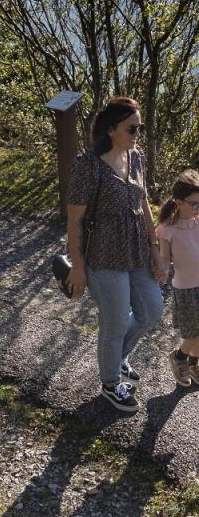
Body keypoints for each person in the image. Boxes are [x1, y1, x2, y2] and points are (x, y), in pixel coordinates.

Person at [66, 96, 166, 413]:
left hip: (136, 250)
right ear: (111, 130)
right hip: (103, 257)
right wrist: (78, 267)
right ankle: (111, 383)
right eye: (132, 128)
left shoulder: (136, 157)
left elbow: (144, 205)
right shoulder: (88, 167)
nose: (137, 134)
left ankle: (118, 357)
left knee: (152, 310)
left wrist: (156, 250)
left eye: (140, 128)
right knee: (115, 323)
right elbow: (75, 220)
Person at [156, 170, 199, 387]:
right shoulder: (168, 229)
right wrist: (161, 270)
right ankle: (179, 358)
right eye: (194, 204)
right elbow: (164, 258)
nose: (197, 208)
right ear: (179, 202)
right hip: (186, 289)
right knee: (194, 333)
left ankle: (193, 364)